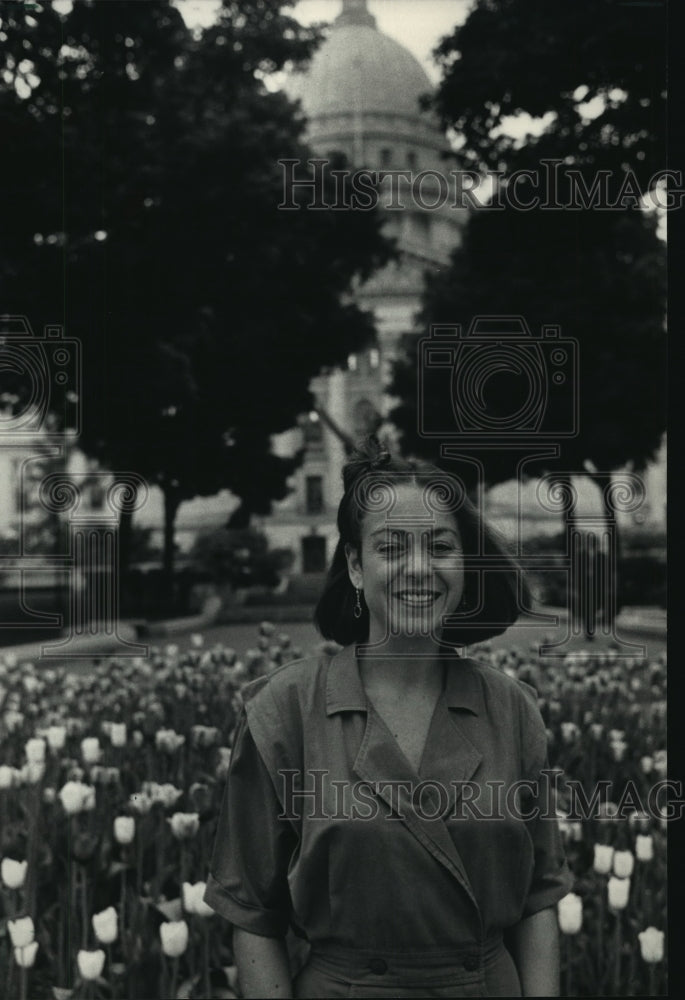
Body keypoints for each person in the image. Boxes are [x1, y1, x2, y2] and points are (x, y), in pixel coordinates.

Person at [204, 439, 574, 998]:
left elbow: (538, 899)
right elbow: (252, 914)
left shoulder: (511, 708)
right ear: (355, 565)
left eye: (441, 547)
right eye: (392, 547)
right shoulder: (285, 711)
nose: (419, 569)